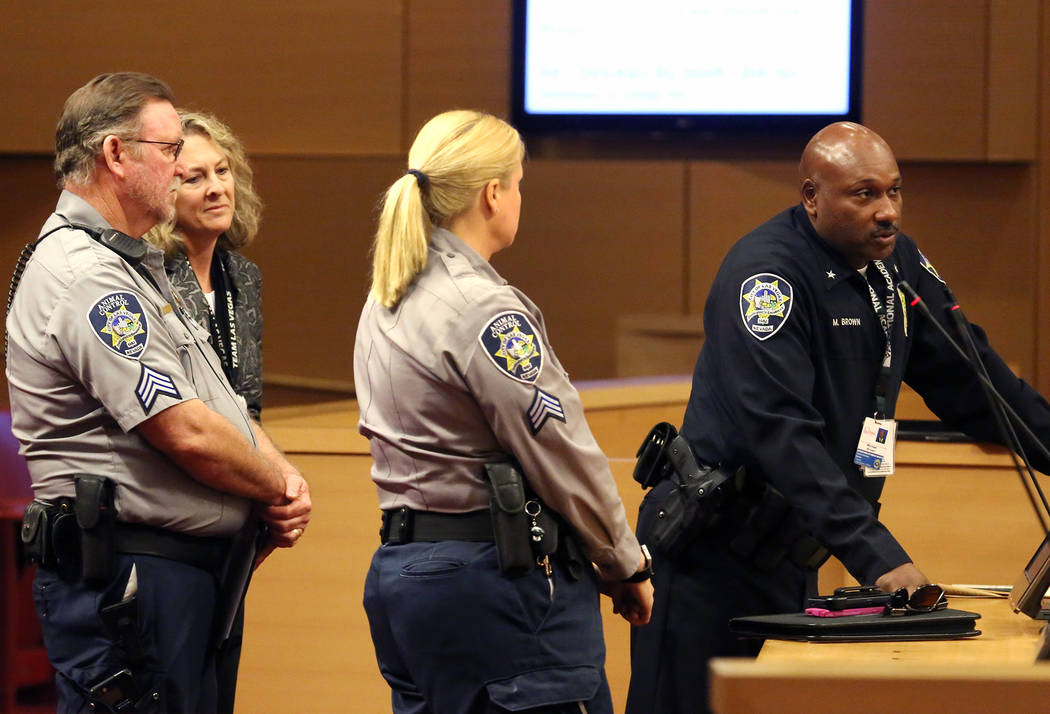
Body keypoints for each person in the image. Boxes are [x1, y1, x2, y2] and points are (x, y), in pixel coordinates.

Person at [626, 121, 1050, 714]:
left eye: (894, 191)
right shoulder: (767, 277)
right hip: (711, 556)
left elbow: (977, 383)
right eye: (864, 194)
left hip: (793, 548)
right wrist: (881, 559)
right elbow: (782, 435)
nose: (887, 211)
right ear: (812, 196)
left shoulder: (896, 265)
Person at [7, 72, 311, 713]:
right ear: (116, 155)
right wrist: (277, 488)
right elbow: (186, 431)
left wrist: (280, 475)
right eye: (170, 150)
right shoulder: (86, 275)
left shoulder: (133, 265)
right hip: (129, 580)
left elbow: (219, 403)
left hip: (177, 579)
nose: (180, 168)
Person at [354, 109, 654, 714]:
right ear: (493, 194)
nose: (519, 198)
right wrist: (624, 561)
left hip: (404, 577)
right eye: (518, 184)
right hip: (496, 586)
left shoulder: (386, 296)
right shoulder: (483, 310)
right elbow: (559, 450)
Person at [144, 110, 270, 714]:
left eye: (223, 171)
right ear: (163, 193)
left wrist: (268, 495)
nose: (217, 188)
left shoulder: (242, 275)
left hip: (236, 530)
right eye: (194, 178)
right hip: (172, 527)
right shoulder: (148, 277)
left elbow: (248, 405)